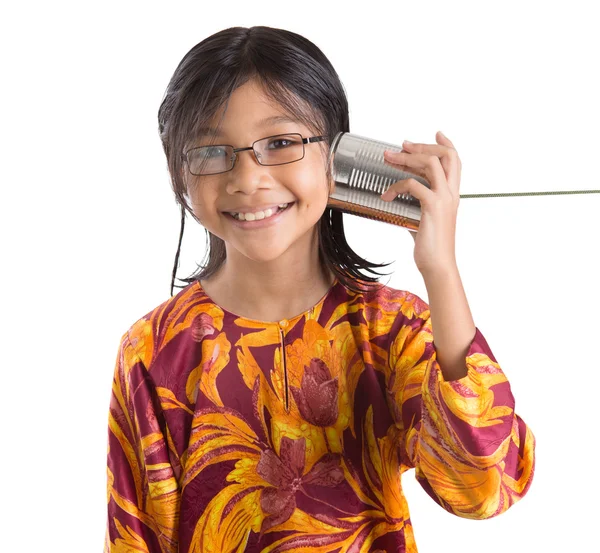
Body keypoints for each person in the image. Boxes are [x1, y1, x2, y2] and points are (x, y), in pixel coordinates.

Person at [104, 26, 535, 553]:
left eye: (281, 143)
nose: (248, 178)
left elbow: (484, 486)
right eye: (212, 151)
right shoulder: (154, 351)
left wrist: (441, 270)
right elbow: (136, 537)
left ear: (336, 155)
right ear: (179, 173)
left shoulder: (389, 331)